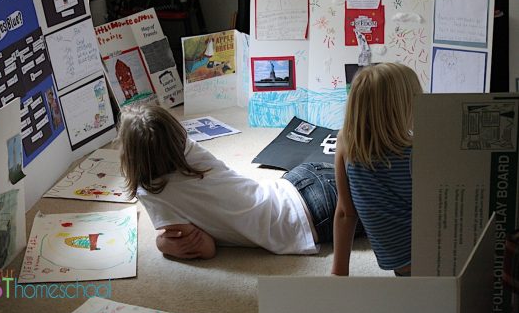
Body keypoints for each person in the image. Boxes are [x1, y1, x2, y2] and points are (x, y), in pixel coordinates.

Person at [116, 104, 344, 259]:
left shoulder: (152, 193)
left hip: (310, 217)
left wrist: (162, 244)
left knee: (378, 202)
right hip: (299, 180)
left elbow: (205, 248)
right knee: (371, 173)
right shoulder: (189, 151)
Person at [331, 63, 423, 277]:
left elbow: (345, 212)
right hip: (430, 259)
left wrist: (339, 272)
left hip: (401, 266)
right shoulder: (416, 152)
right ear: (402, 107)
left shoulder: (346, 141)